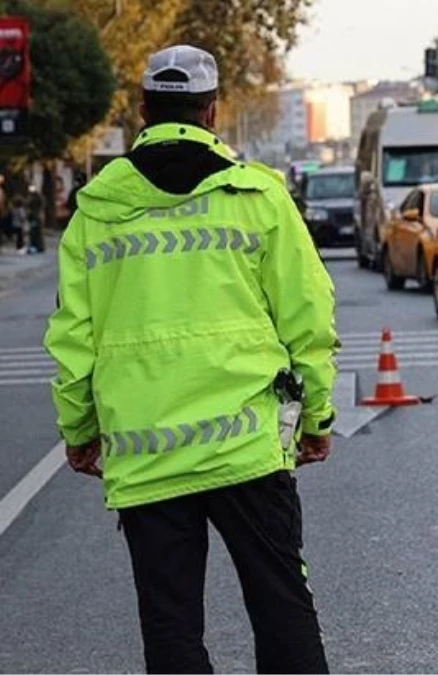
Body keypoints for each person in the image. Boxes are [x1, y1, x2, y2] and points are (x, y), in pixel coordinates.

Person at [44, 45, 338, 674]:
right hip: (248, 448)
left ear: (144, 108)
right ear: (212, 111)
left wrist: (78, 430)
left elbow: (73, 339)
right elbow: (309, 315)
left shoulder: (96, 210)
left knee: (171, 625)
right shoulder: (256, 195)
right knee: (282, 604)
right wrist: (318, 415)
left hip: (149, 454)